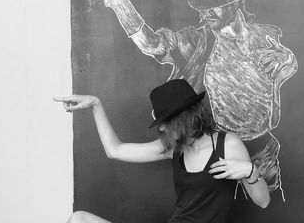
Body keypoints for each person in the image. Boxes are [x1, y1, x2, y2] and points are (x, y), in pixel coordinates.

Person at [79, 0, 298, 195]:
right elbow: (152, 44)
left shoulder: (264, 37)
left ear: (235, 3)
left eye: (216, 4)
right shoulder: (198, 42)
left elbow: (285, 68)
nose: (206, 11)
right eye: (205, 5)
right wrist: (119, 3)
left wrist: (288, 60)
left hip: (261, 154)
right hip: (215, 156)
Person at [54, 79, 270, 223]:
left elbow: (263, 202)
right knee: (79, 219)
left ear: (184, 119)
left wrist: (250, 171)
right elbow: (115, 150)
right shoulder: (173, 148)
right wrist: (95, 105)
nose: (162, 128)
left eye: (166, 122)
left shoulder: (228, 145)